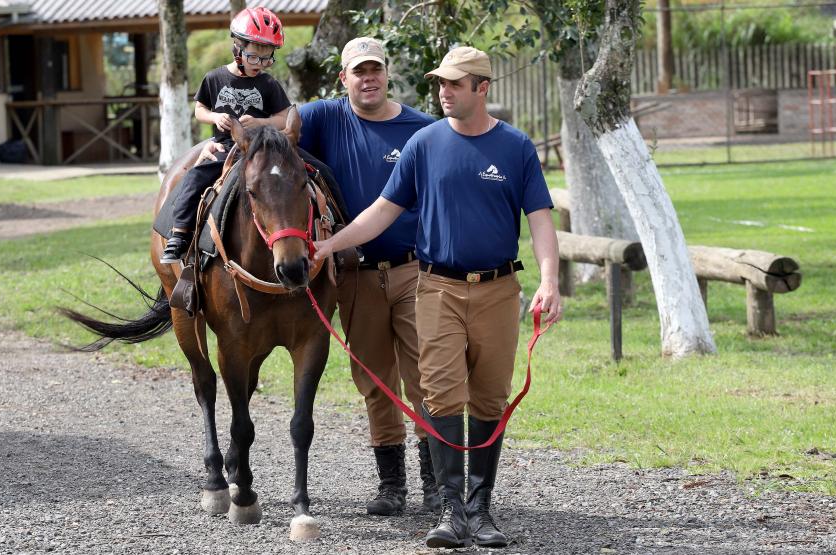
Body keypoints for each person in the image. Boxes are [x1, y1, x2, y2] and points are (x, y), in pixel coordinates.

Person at [312, 46, 562, 549]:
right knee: (441, 393)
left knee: (490, 397)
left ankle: (481, 509)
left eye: (454, 84)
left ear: (482, 88)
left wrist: (550, 281)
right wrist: (328, 246)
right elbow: (381, 212)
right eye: (440, 85)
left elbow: (539, 221)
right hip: (437, 289)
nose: (443, 92)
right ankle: (450, 511)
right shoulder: (423, 144)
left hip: (498, 290)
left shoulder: (515, 147)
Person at [298, 37, 438, 517]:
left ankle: (435, 483)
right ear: (344, 78)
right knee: (375, 380)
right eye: (359, 71)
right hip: (354, 276)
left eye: (375, 69)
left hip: (414, 271)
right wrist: (231, 121)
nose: (368, 78)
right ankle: (392, 486)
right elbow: (279, 133)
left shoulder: (422, 129)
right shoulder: (325, 119)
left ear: (387, 72)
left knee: (426, 376)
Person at [160, 6, 291, 264]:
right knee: (195, 177)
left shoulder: (268, 84)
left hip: (263, 151)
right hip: (225, 148)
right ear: (237, 48)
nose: (260, 65)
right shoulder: (214, 78)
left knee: (314, 171)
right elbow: (199, 110)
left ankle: (335, 224)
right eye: (254, 57)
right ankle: (179, 233)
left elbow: (285, 117)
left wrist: (262, 122)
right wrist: (214, 117)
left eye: (267, 59)